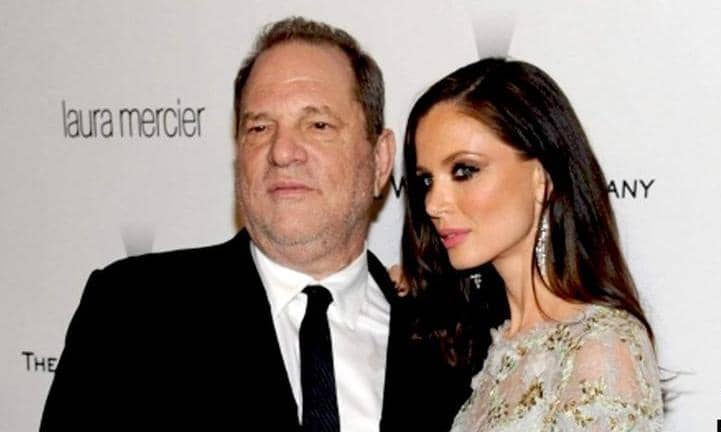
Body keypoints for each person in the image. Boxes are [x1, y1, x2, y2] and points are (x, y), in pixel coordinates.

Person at [40, 17, 460, 432]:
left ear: (380, 160)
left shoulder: (447, 342)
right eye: (259, 127)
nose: (282, 151)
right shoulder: (131, 312)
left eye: (318, 125)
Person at [398, 58, 664, 431]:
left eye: (464, 171)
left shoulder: (601, 345)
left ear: (542, 178)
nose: (432, 204)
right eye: (427, 180)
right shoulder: (488, 345)